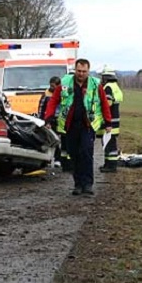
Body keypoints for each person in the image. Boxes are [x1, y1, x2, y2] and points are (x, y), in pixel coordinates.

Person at [44, 59, 112, 196]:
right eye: (79, 71)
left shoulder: (95, 84)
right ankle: (78, 184)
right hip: (70, 125)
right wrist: (48, 117)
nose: (81, 74)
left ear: (88, 71)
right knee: (74, 154)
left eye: (84, 71)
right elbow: (54, 101)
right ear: (75, 70)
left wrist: (108, 122)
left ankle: (87, 184)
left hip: (88, 125)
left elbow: (104, 103)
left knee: (86, 153)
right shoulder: (65, 83)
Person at [96, 65, 123, 172]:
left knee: (110, 145)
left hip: (109, 121)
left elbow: (107, 103)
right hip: (114, 120)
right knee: (109, 143)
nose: (101, 79)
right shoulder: (115, 86)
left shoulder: (108, 87)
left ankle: (111, 166)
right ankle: (108, 164)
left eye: (102, 77)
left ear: (106, 77)